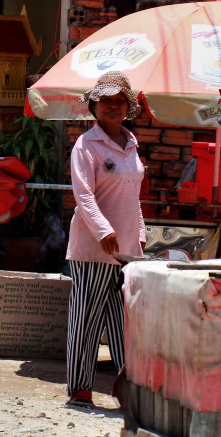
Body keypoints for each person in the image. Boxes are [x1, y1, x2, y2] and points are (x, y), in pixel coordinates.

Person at [65, 71, 145, 407]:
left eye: (118, 100)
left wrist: (140, 236)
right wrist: (104, 231)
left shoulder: (132, 145)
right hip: (92, 249)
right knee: (87, 318)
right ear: (94, 106)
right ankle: (80, 389)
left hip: (127, 250)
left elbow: (133, 198)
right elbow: (83, 197)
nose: (112, 106)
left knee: (126, 323)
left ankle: (131, 388)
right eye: (105, 101)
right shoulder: (86, 145)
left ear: (127, 106)